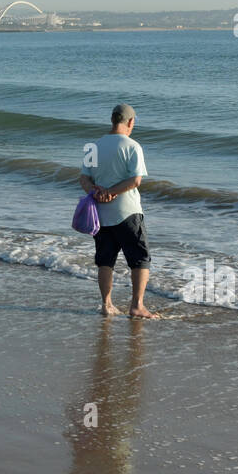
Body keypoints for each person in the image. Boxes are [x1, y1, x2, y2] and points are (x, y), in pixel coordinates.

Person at [79, 102, 159, 319]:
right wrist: (113, 192)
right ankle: (137, 305)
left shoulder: (93, 147)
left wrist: (97, 193)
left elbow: (84, 178)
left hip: (101, 215)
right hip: (127, 212)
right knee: (140, 258)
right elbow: (135, 180)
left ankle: (107, 305)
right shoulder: (132, 146)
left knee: (105, 260)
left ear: (112, 120)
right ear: (131, 122)